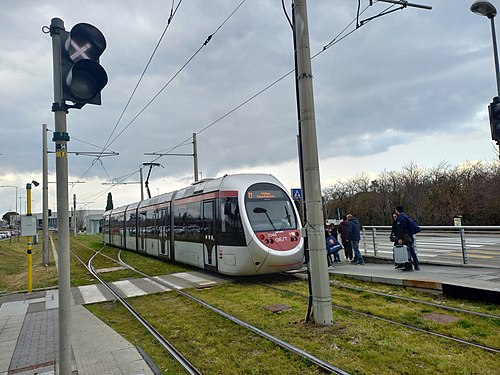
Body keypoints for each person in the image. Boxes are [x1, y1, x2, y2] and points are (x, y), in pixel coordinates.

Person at [394, 205, 420, 271]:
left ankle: (408, 265)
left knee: (407, 251)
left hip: (405, 237)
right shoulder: (406, 216)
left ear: (397, 210)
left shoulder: (400, 218)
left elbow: (400, 229)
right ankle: (416, 265)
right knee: (411, 250)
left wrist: (399, 238)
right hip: (410, 236)